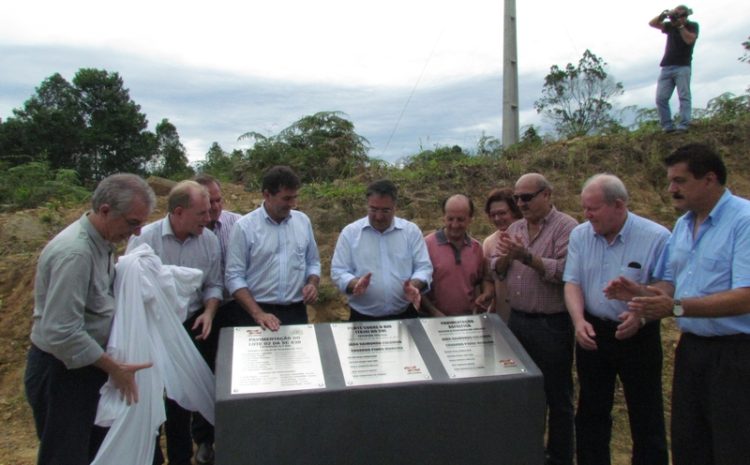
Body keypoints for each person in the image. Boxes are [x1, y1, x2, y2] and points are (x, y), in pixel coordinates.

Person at [605, 143, 750, 465]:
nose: (671, 188)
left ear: (710, 179)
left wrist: (676, 308)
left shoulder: (744, 221)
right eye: (670, 181)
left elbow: (746, 296)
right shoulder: (684, 225)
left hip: (737, 354)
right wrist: (640, 292)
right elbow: (670, 283)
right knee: (690, 442)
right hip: (692, 350)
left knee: (733, 444)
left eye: (680, 181)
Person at [25, 173, 155, 465]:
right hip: (62, 373)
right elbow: (62, 331)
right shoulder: (76, 253)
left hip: (87, 368)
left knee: (92, 452)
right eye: (133, 223)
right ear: (105, 210)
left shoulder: (102, 243)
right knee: (66, 455)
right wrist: (115, 368)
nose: (136, 233)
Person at [563, 174, 669, 465]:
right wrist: (578, 321)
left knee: (645, 413)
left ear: (619, 205)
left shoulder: (657, 237)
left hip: (638, 335)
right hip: (593, 332)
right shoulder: (581, 235)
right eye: (584, 208)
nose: (586, 215)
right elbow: (572, 282)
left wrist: (640, 312)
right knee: (591, 412)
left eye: (593, 209)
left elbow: (666, 287)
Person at [127, 180, 222, 465]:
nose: (209, 218)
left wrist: (209, 312)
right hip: (151, 329)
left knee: (180, 403)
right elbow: (130, 285)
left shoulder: (209, 240)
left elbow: (214, 284)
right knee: (151, 399)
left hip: (190, 326)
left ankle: (182, 458)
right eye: (202, 213)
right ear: (179, 212)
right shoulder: (145, 238)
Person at [489, 173, 578, 465]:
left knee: (557, 396)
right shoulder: (515, 228)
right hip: (518, 322)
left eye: (526, 197)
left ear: (547, 195)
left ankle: (560, 456)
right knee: (523, 394)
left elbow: (566, 272)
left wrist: (526, 257)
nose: (521, 203)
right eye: (517, 198)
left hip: (551, 325)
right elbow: (498, 268)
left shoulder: (567, 228)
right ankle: (528, 452)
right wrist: (505, 259)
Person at [225, 166, 321, 330]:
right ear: (267, 195)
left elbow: (313, 262)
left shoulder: (303, 221)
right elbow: (233, 277)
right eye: (286, 198)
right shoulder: (244, 227)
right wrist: (258, 313)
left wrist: (312, 283)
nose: (293, 204)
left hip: (296, 312)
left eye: (295, 197)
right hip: (255, 314)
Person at [331, 179, 433, 321]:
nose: (379, 217)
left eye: (385, 210)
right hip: (363, 319)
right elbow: (338, 270)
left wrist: (413, 285)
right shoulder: (350, 233)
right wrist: (354, 283)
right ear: (367, 205)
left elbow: (424, 267)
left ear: (395, 207)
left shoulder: (411, 231)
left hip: (405, 314)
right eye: (373, 209)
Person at [191, 174, 241, 465]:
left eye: (219, 200)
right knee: (203, 374)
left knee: (236, 375)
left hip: (234, 307)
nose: (216, 207)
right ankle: (204, 440)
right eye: (210, 203)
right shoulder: (189, 229)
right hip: (200, 312)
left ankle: (235, 434)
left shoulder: (238, 224)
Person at [422, 194, 493, 316]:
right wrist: (433, 312)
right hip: (432, 320)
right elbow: (417, 287)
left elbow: (484, 279)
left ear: (470, 219)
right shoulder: (426, 245)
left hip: (467, 321)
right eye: (450, 219)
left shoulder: (476, 248)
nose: (454, 225)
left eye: (460, 220)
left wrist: (485, 294)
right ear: (443, 217)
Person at [650, 5, 699, 133]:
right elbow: (652, 23)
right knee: (661, 98)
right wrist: (664, 15)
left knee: (684, 96)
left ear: (685, 16)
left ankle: (684, 124)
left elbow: (689, 40)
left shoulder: (692, 26)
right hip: (667, 66)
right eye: (676, 15)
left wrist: (680, 26)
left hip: (683, 66)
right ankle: (667, 126)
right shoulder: (670, 26)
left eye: (680, 15)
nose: (677, 18)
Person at [482, 187, 523, 320]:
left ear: (515, 211)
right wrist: (488, 294)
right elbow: (488, 279)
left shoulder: (528, 237)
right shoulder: (489, 242)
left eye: (502, 213)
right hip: (503, 317)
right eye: (493, 215)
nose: (497, 218)